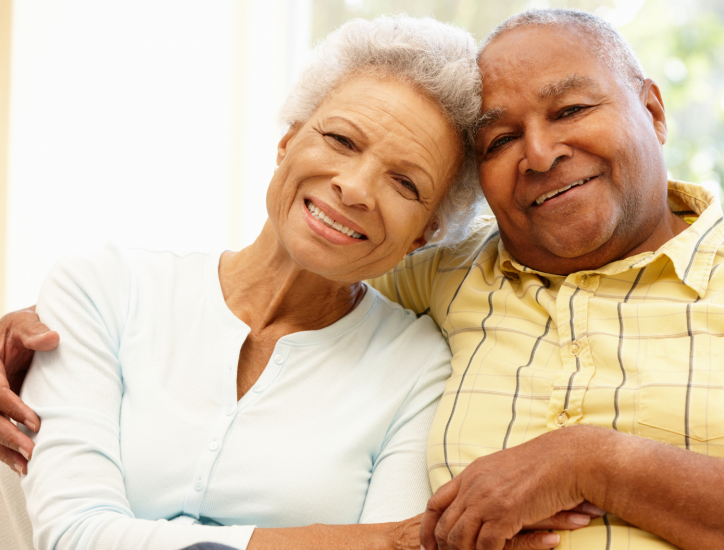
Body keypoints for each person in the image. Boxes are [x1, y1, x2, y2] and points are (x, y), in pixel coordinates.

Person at [4, 7, 724, 550]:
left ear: (654, 108)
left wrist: (603, 463)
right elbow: (295, 271)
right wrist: (39, 341)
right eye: (501, 139)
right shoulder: (431, 281)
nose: (541, 152)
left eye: (573, 109)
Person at [0, 14, 602, 550]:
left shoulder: (418, 366)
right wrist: (360, 542)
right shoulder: (102, 288)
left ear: (425, 233)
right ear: (287, 141)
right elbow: (72, 533)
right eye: (340, 140)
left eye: (406, 184)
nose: (356, 188)